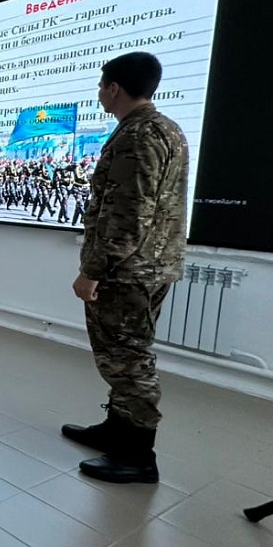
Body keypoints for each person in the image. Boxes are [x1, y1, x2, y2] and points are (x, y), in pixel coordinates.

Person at [64, 52, 189, 484]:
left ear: (114, 88)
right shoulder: (166, 128)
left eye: (101, 86)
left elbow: (129, 215)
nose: (99, 93)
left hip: (126, 271)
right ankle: (117, 429)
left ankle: (138, 456)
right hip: (152, 265)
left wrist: (92, 271)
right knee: (124, 355)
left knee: (127, 360)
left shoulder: (138, 136)